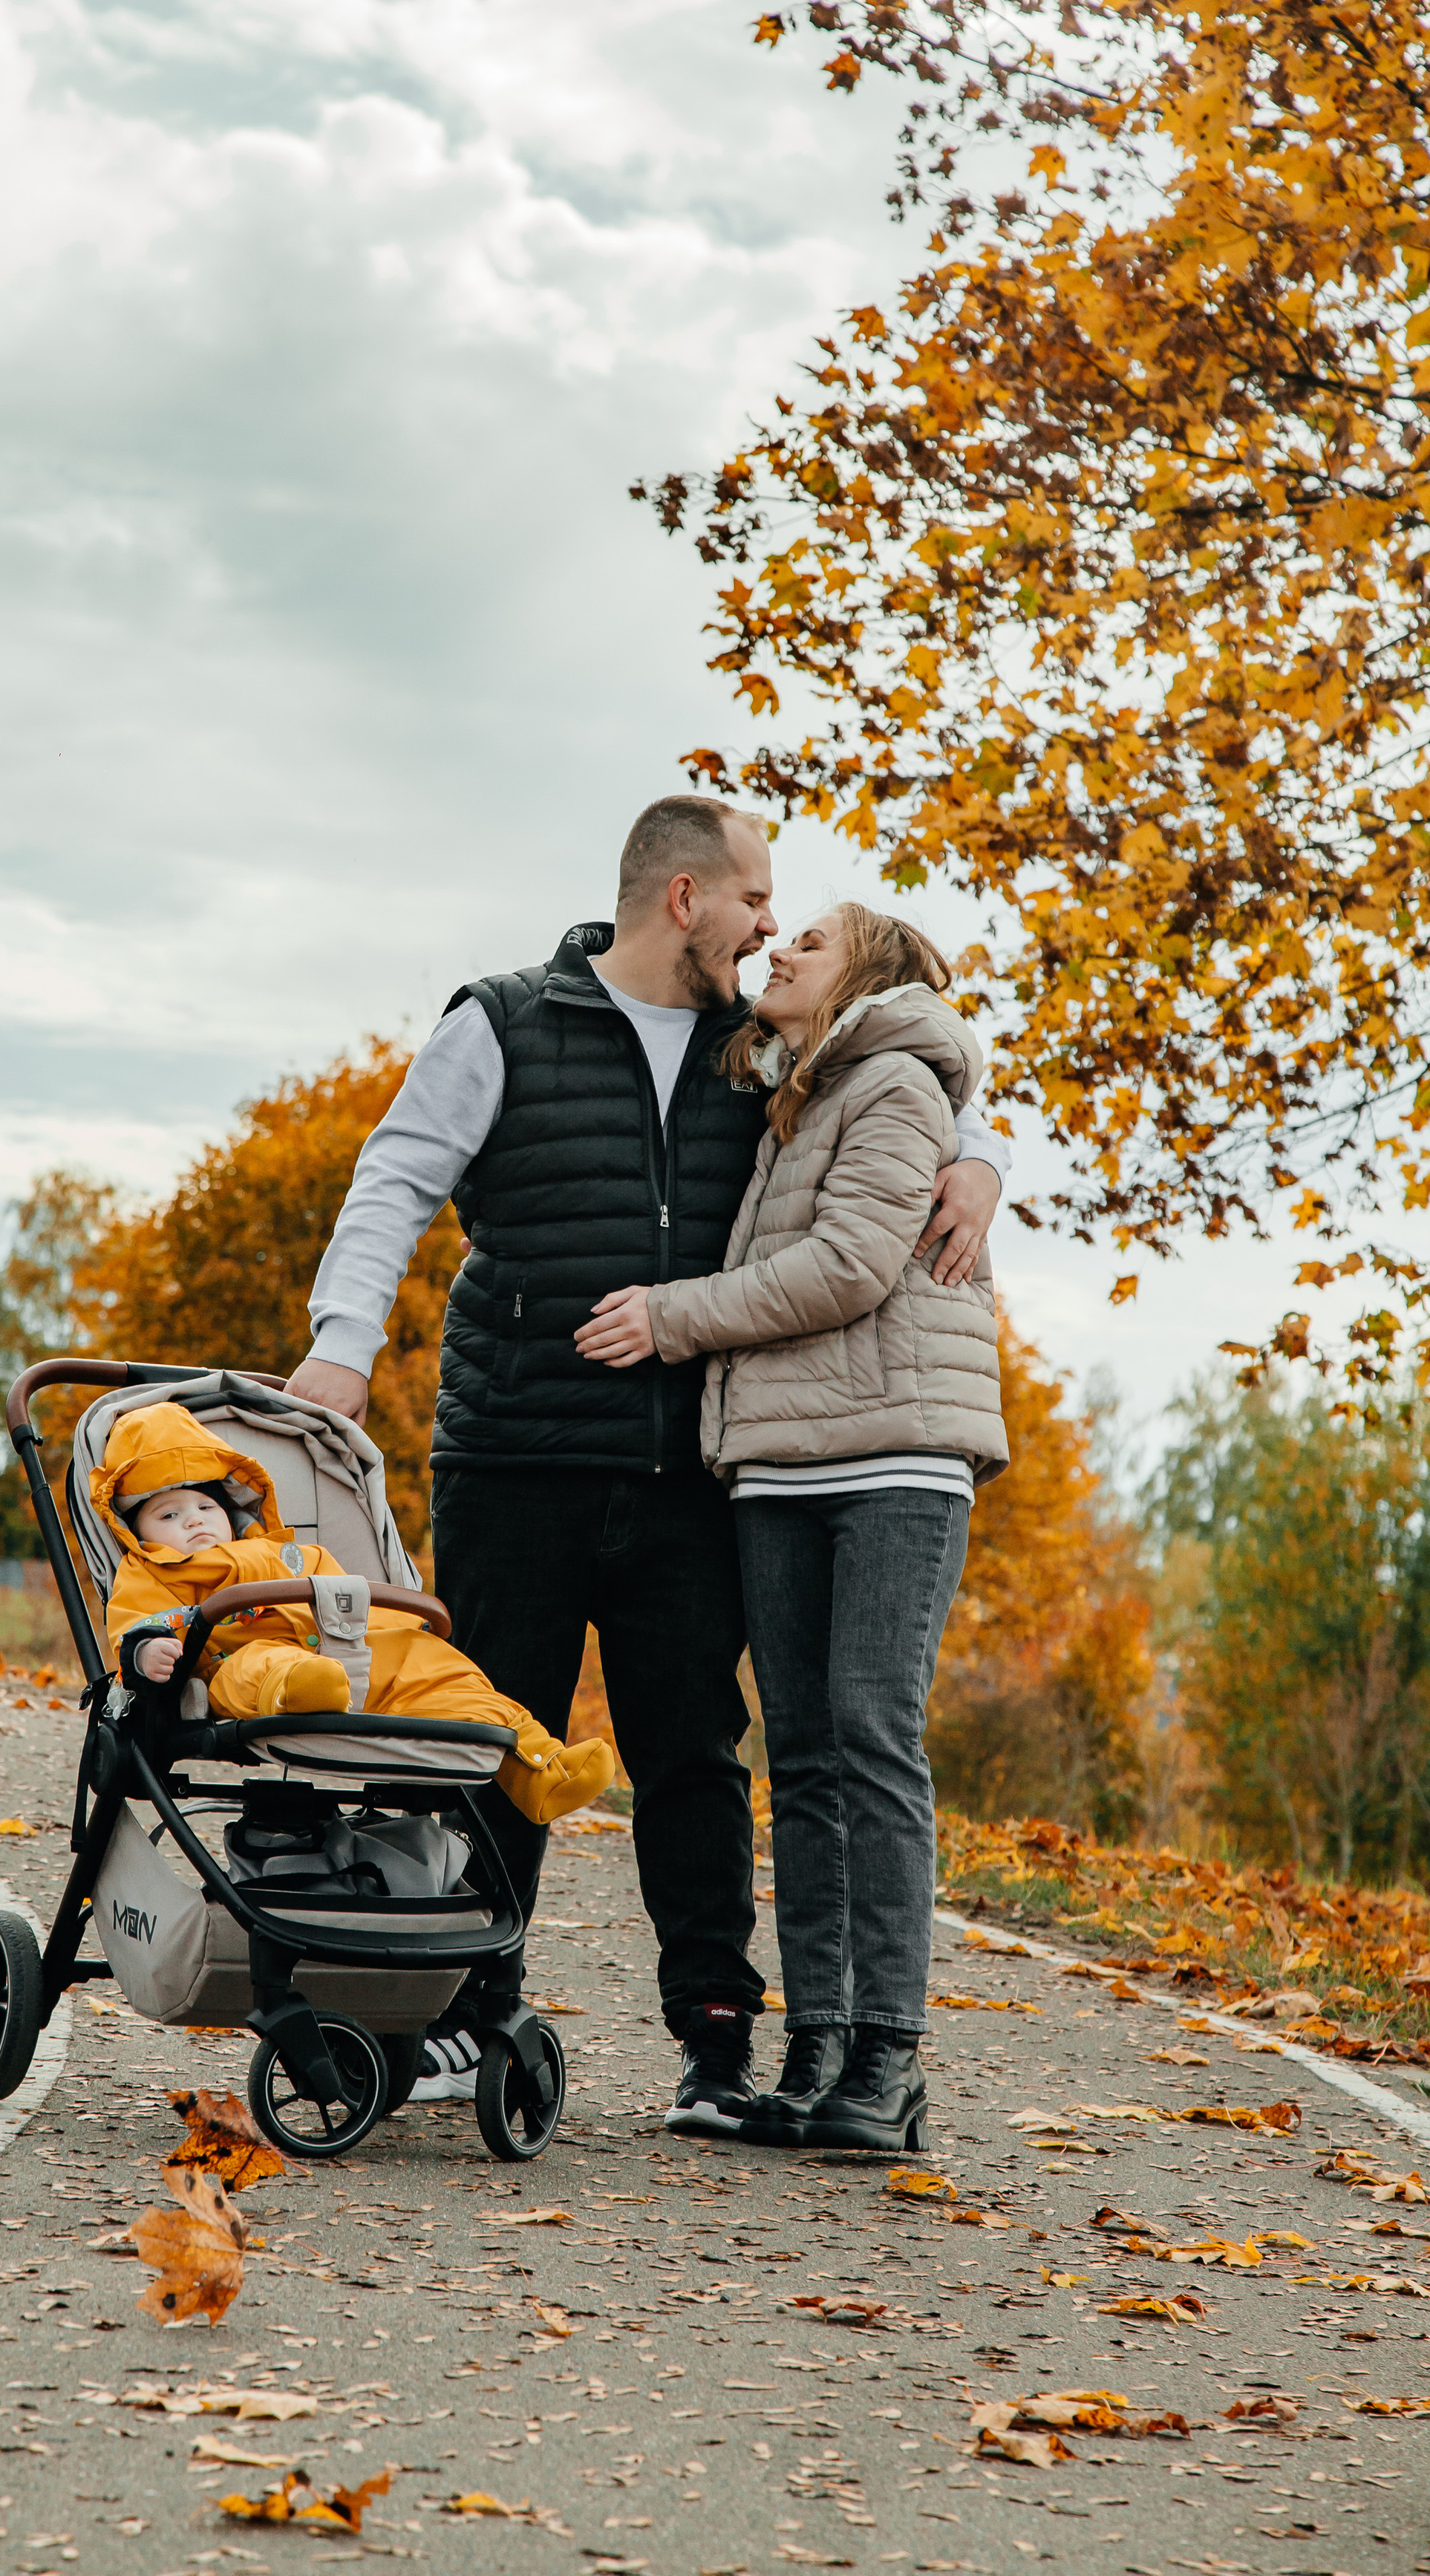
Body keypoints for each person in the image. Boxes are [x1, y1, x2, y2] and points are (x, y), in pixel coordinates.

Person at [287, 795, 1009, 2132]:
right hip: (517, 1445)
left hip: (695, 1468)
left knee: (695, 1757)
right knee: (493, 1740)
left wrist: (983, 1161)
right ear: (685, 898)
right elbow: (394, 1178)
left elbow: (919, 1074)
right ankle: (461, 2012)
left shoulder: (765, 1046)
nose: (770, 925)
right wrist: (341, 1344)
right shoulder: (504, 1021)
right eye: (754, 899)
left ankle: (717, 2047)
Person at [576, 901, 1009, 2151]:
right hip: (780, 1468)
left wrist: (674, 1316)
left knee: (873, 1737)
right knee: (804, 1757)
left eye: (806, 944)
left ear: (864, 974)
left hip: (894, 1459)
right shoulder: (796, 1097)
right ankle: (818, 2054)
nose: (779, 955)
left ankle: (891, 2061)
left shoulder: (893, 1083)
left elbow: (850, 1268)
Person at [98, 1401, 616, 1829]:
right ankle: (301, 1691)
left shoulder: (294, 1555)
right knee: (259, 1667)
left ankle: (538, 1766)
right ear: (135, 1530)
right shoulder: (150, 1572)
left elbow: (353, 1602)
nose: (193, 1521)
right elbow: (132, 1625)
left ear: (232, 1512)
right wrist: (146, 1652)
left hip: (344, 1649)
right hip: (239, 1660)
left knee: (437, 1665)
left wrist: (406, 1636)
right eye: (169, 1514)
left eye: (205, 1508)